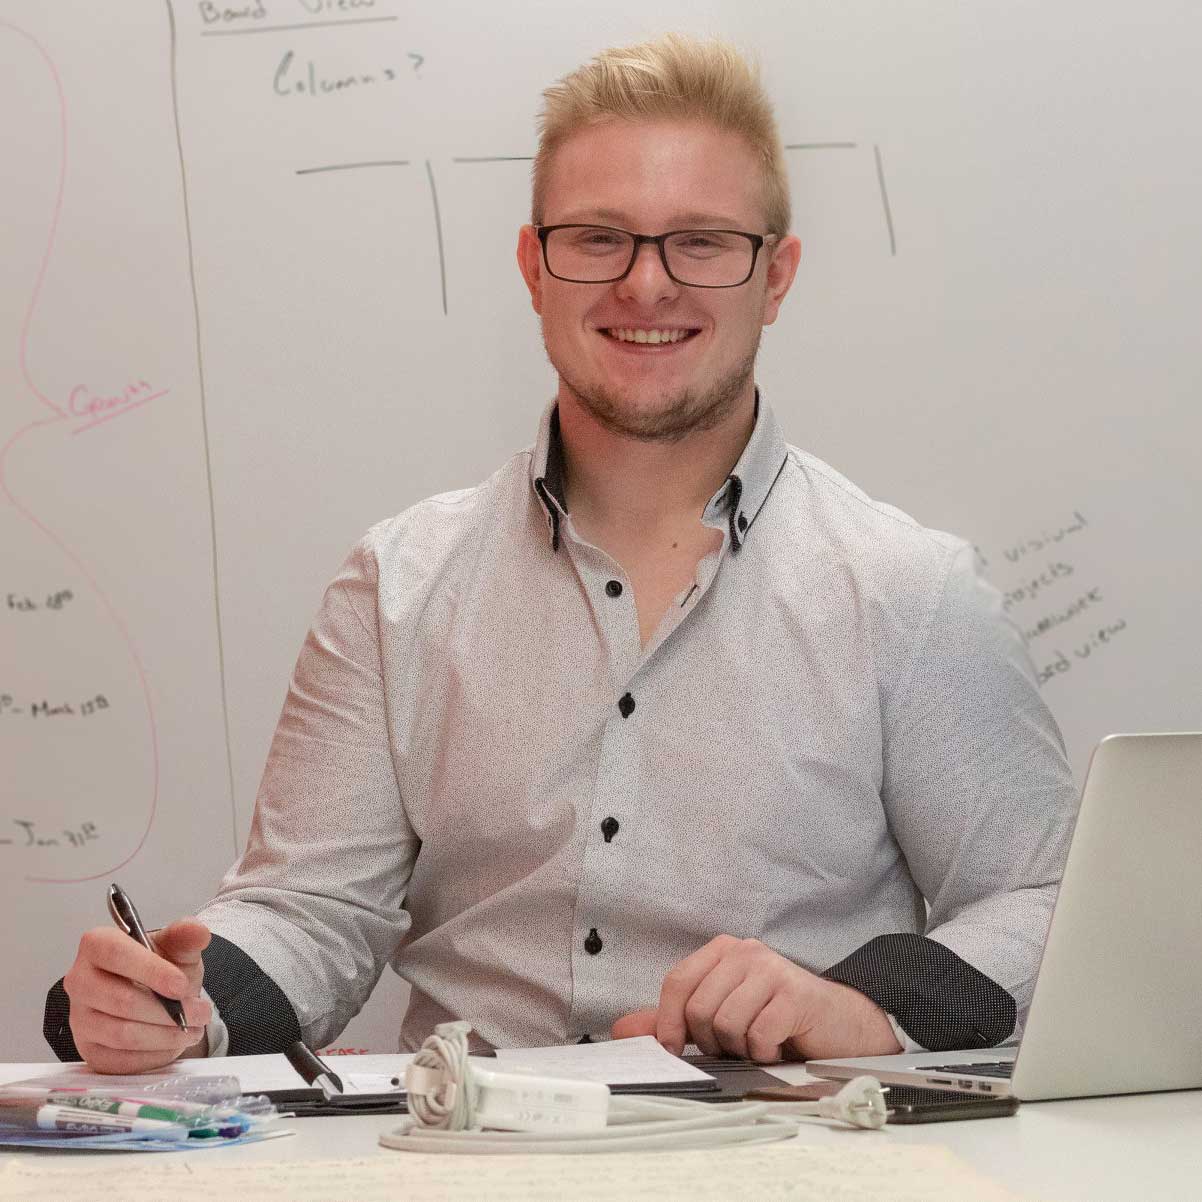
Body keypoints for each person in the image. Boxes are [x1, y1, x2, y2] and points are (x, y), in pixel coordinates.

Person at [46, 34, 1077, 1074]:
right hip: (464, 1156)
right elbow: (309, 905)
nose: (645, 284)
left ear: (776, 276)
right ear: (532, 265)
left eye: (703, 242)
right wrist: (174, 1001)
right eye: (597, 238)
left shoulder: (910, 590)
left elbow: (1045, 899)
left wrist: (860, 1008)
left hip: (793, 1155)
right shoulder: (395, 585)